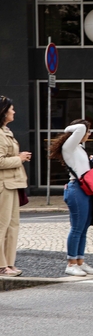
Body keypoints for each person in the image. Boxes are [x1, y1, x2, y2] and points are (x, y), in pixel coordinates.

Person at [48, 119, 93, 277]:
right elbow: (80, 127)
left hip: (84, 188)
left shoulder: (78, 147)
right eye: (88, 131)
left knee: (83, 227)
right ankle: (71, 263)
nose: (88, 133)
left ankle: (80, 261)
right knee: (77, 228)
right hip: (76, 189)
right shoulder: (69, 146)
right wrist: (69, 128)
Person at [0, 96, 30, 277]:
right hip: (4, 185)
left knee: (13, 226)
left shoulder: (5, 131)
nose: (14, 111)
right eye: (11, 109)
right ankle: (1, 265)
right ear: (3, 111)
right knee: (2, 226)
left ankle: (9, 263)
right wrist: (19, 159)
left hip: (12, 183)